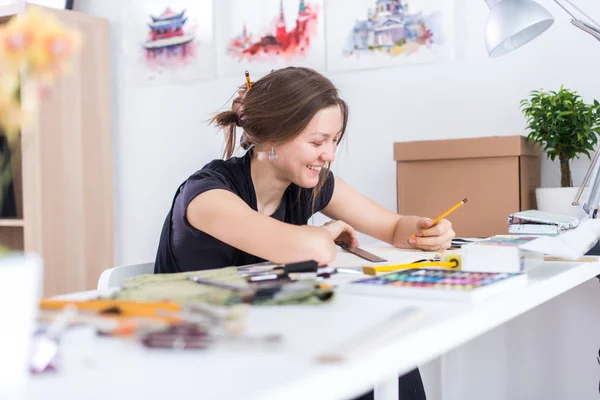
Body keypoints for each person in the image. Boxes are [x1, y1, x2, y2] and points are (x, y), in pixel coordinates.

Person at [154, 66, 455, 399]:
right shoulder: (207, 195)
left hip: (263, 340)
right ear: (271, 140)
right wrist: (325, 233)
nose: (329, 154)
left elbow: (395, 227)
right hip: (199, 358)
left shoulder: (308, 184)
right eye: (317, 142)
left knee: (385, 346)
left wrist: (427, 229)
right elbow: (314, 251)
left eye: (334, 141)